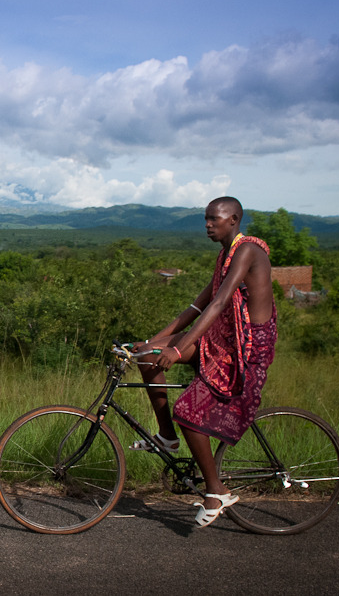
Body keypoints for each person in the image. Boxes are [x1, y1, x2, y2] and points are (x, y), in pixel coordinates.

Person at [133, 196, 277, 528]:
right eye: (206, 219)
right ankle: (166, 437)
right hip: (220, 338)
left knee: (188, 411)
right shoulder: (224, 257)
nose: (208, 225)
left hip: (245, 348)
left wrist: (179, 347)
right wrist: (154, 342)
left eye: (215, 219)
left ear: (235, 220)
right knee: (146, 357)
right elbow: (197, 308)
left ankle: (216, 491)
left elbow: (220, 303)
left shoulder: (247, 251)